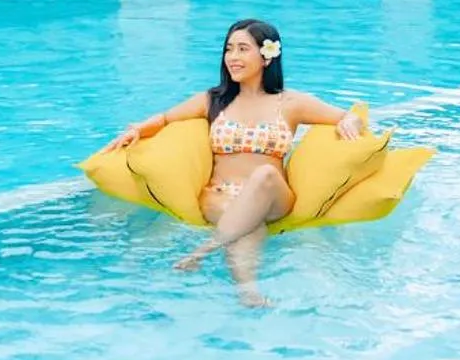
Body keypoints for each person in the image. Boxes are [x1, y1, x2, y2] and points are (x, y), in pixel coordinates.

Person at [106, 18, 362, 306]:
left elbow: (345, 115)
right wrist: (137, 130)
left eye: (243, 49)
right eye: (229, 49)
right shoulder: (213, 100)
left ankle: (203, 251)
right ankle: (248, 291)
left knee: (264, 174)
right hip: (220, 197)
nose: (233, 58)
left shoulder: (291, 103)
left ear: (266, 56)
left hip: (272, 194)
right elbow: (165, 118)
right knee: (247, 223)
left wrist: (348, 123)